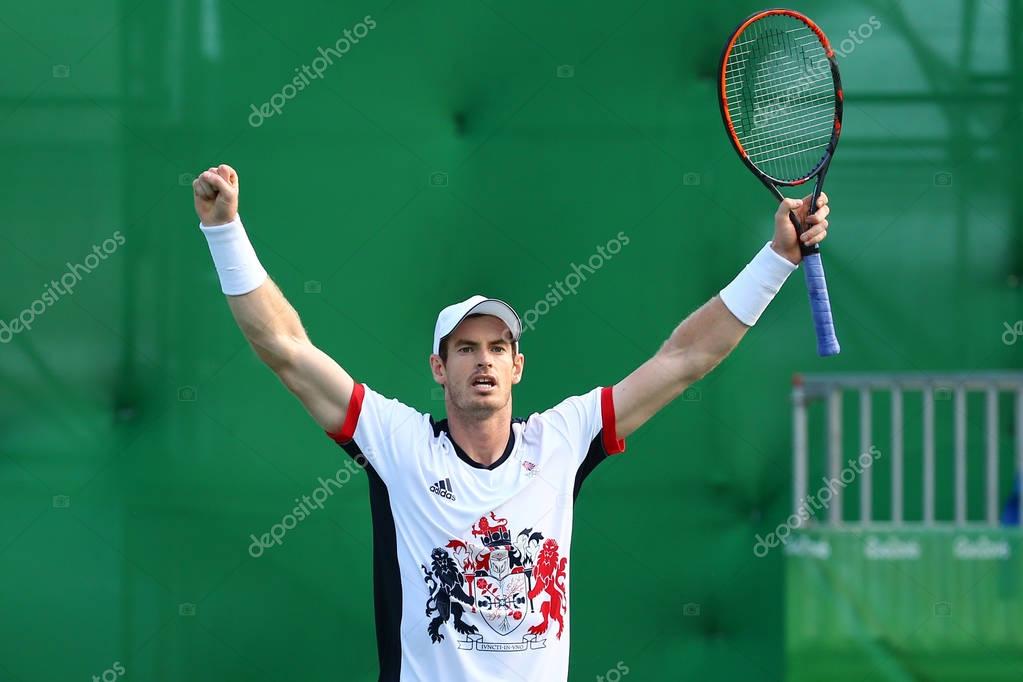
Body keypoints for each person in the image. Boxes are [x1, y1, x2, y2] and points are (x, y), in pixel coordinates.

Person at [192, 163, 832, 682]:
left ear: (517, 366)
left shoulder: (563, 439)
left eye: (498, 348)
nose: (484, 361)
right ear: (439, 368)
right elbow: (287, 349)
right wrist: (224, 231)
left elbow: (685, 359)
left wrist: (777, 258)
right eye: (466, 349)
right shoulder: (398, 444)